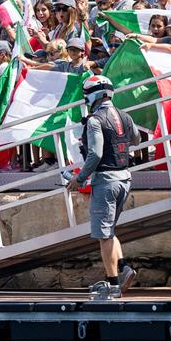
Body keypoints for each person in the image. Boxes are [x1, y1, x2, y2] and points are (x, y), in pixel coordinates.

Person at [66, 75, 140, 298]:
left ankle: (113, 285)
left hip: (106, 179)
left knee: (103, 234)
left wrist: (78, 179)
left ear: (94, 95)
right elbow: (135, 139)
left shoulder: (95, 120)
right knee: (110, 229)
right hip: (124, 177)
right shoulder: (124, 115)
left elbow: (95, 154)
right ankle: (124, 268)